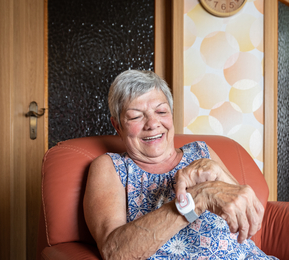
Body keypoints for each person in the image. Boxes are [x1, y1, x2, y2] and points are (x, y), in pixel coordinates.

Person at [83, 70, 278, 259]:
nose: (152, 123)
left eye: (161, 111)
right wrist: (197, 199)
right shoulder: (111, 167)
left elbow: (250, 218)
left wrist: (218, 173)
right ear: (117, 125)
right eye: (136, 116)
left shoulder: (202, 151)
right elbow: (114, 252)